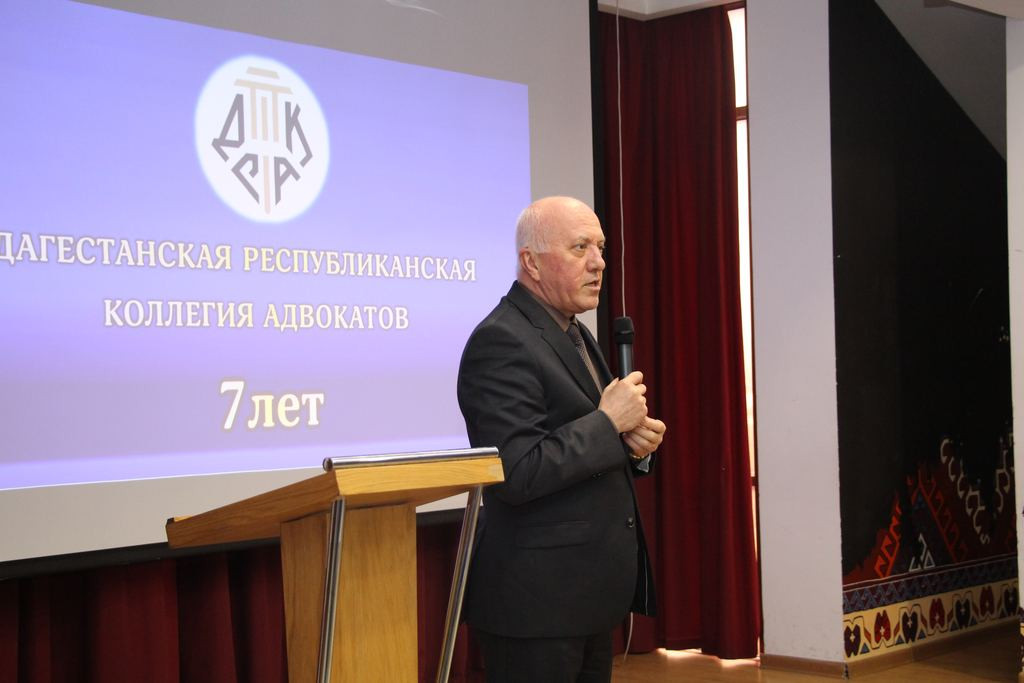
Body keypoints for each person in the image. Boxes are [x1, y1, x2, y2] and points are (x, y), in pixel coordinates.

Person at [457, 196, 667, 682]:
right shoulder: (501, 341)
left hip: (585, 596)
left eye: (601, 247)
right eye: (580, 248)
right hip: (535, 604)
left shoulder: (573, 332)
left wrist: (631, 445)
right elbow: (516, 471)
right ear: (531, 262)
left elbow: (581, 442)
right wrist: (608, 425)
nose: (599, 262)